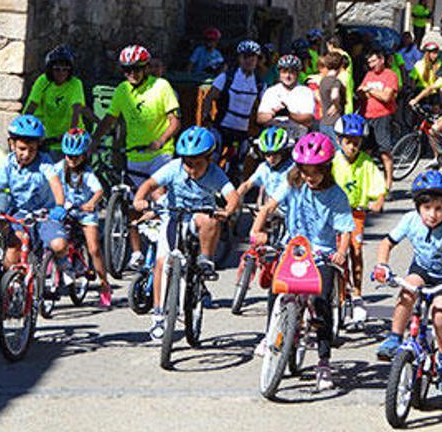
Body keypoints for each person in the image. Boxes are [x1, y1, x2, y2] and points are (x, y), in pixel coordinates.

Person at [250, 133, 354, 390]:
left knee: (321, 301)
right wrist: (256, 231)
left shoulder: (337, 196)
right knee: (277, 287)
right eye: (304, 170)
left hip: (322, 252)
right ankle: (269, 334)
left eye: (315, 171)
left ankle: (323, 361)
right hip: (293, 247)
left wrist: (340, 252)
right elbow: (268, 207)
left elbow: (345, 231)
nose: (309, 176)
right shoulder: (292, 183)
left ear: (326, 169)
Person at [373, 170, 442, 392]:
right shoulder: (410, 220)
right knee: (407, 291)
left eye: (439, 209)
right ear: (417, 207)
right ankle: (395, 337)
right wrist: (382, 265)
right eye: (427, 208)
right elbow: (386, 243)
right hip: (421, 270)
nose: (432, 214)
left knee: (440, 314)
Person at [132, 126, 240, 338]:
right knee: (162, 263)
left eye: (197, 163)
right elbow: (150, 184)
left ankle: (206, 260)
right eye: (187, 163)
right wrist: (139, 199)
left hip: (199, 215)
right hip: (174, 215)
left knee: (209, 219)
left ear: (209, 158)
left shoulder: (216, 173)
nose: (191, 168)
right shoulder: (174, 168)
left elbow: (232, 195)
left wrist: (228, 210)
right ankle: (158, 315)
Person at [93, 45, 180, 269]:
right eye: (127, 70)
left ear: (146, 68)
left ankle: (167, 238)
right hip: (134, 154)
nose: (131, 74)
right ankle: (136, 252)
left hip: (160, 153)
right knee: (134, 203)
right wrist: (94, 142)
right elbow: (110, 119)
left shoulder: (161, 86)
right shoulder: (122, 90)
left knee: (158, 194)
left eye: (136, 69)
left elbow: (175, 121)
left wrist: (160, 141)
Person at [0, 115, 69, 272]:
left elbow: (56, 184)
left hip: (45, 213)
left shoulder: (44, 162)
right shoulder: (8, 163)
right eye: (22, 149)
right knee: (13, 251)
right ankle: (13, 285)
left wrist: (60, 206)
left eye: (32, 150)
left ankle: (63, 263)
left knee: (59, 245)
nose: (26, 154)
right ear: (12, 145)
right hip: (20, 213)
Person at [331, 114, 386, 320]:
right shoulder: (333, 162)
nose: (352, 146)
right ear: (339, 141)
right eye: (348, 142)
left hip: (356, 213)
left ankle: (357, 294)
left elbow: (378, 186)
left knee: (355, 250)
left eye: (356, 142)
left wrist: (378, 200)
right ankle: (333, 290)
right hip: (334, 213)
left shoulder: (366, 162)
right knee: (330, 250)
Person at [53, 129, 111, 307]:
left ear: (84, 155)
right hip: (64, 210)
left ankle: (104, 285)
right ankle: (51, 280)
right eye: (69, 156)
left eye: (76, 156)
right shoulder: (58, 168)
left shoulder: (87, 174)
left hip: (84, 212)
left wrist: (92, 202)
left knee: (94, 249)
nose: (71, 159)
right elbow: (47, 181)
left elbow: (99, 191)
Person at [201, 40, 264, 179]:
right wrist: (206, 118)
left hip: (243, 131)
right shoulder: (227, 77)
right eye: (245, 56)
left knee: (240, 165)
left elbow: (263, 105)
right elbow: (209, 98)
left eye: (253, 57)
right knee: (213, 160)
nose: (249, 60)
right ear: (239, 58)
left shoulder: (259, 83)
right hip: (222, 127)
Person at [23, 45, 86, 161]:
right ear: (50, 70)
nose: (61, 73)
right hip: (49, 138)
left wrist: (71, 133)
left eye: (65, 69)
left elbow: (76, 110)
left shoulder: (75, 83)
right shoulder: (43, 81)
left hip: (70, 137)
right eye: (57, 69)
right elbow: (32, 105)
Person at [359, 49, 398, 194]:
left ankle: (388, 186)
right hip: (366, 116)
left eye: (373, 61)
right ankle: (368, 184)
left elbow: (387, 97)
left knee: (385, 152)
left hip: (383, 117)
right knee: (366, 152)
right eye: (369, 62)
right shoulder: (368, 75)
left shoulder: (390, 75)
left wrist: (370, 91)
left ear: (381, 60)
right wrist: (366, 92)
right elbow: (360, 93)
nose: (371, 65)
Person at [256, 54, 315, 141]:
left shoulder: (306, 92)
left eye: (292, 72)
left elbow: (308, 120)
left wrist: (289, 114)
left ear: (298, 73)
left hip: (297, 137)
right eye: (284, 71)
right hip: (274, 138)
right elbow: (260, 119)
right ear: (279, 72)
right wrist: (273, 114)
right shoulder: (271, 91)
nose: (288, 75)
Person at [236, 126, 293, 202]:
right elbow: (247, 185)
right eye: (267, 154)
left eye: (275, 153)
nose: (271, 158)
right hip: (271, 210)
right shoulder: (264, 167)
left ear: (284, 152)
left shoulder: (292, 168)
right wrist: (235, 198)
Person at [317, 52, 346, 145]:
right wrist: (337, 106)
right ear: (341, 65)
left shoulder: (323, 81)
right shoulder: (336, 81)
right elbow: (334, 95)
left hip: (324, 122)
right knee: (338, 151)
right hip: (335, 122)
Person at [326, 36, 355, 115]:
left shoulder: (337, 56)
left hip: (342, 80)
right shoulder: (345, 54)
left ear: (331, 45)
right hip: (348, 80)